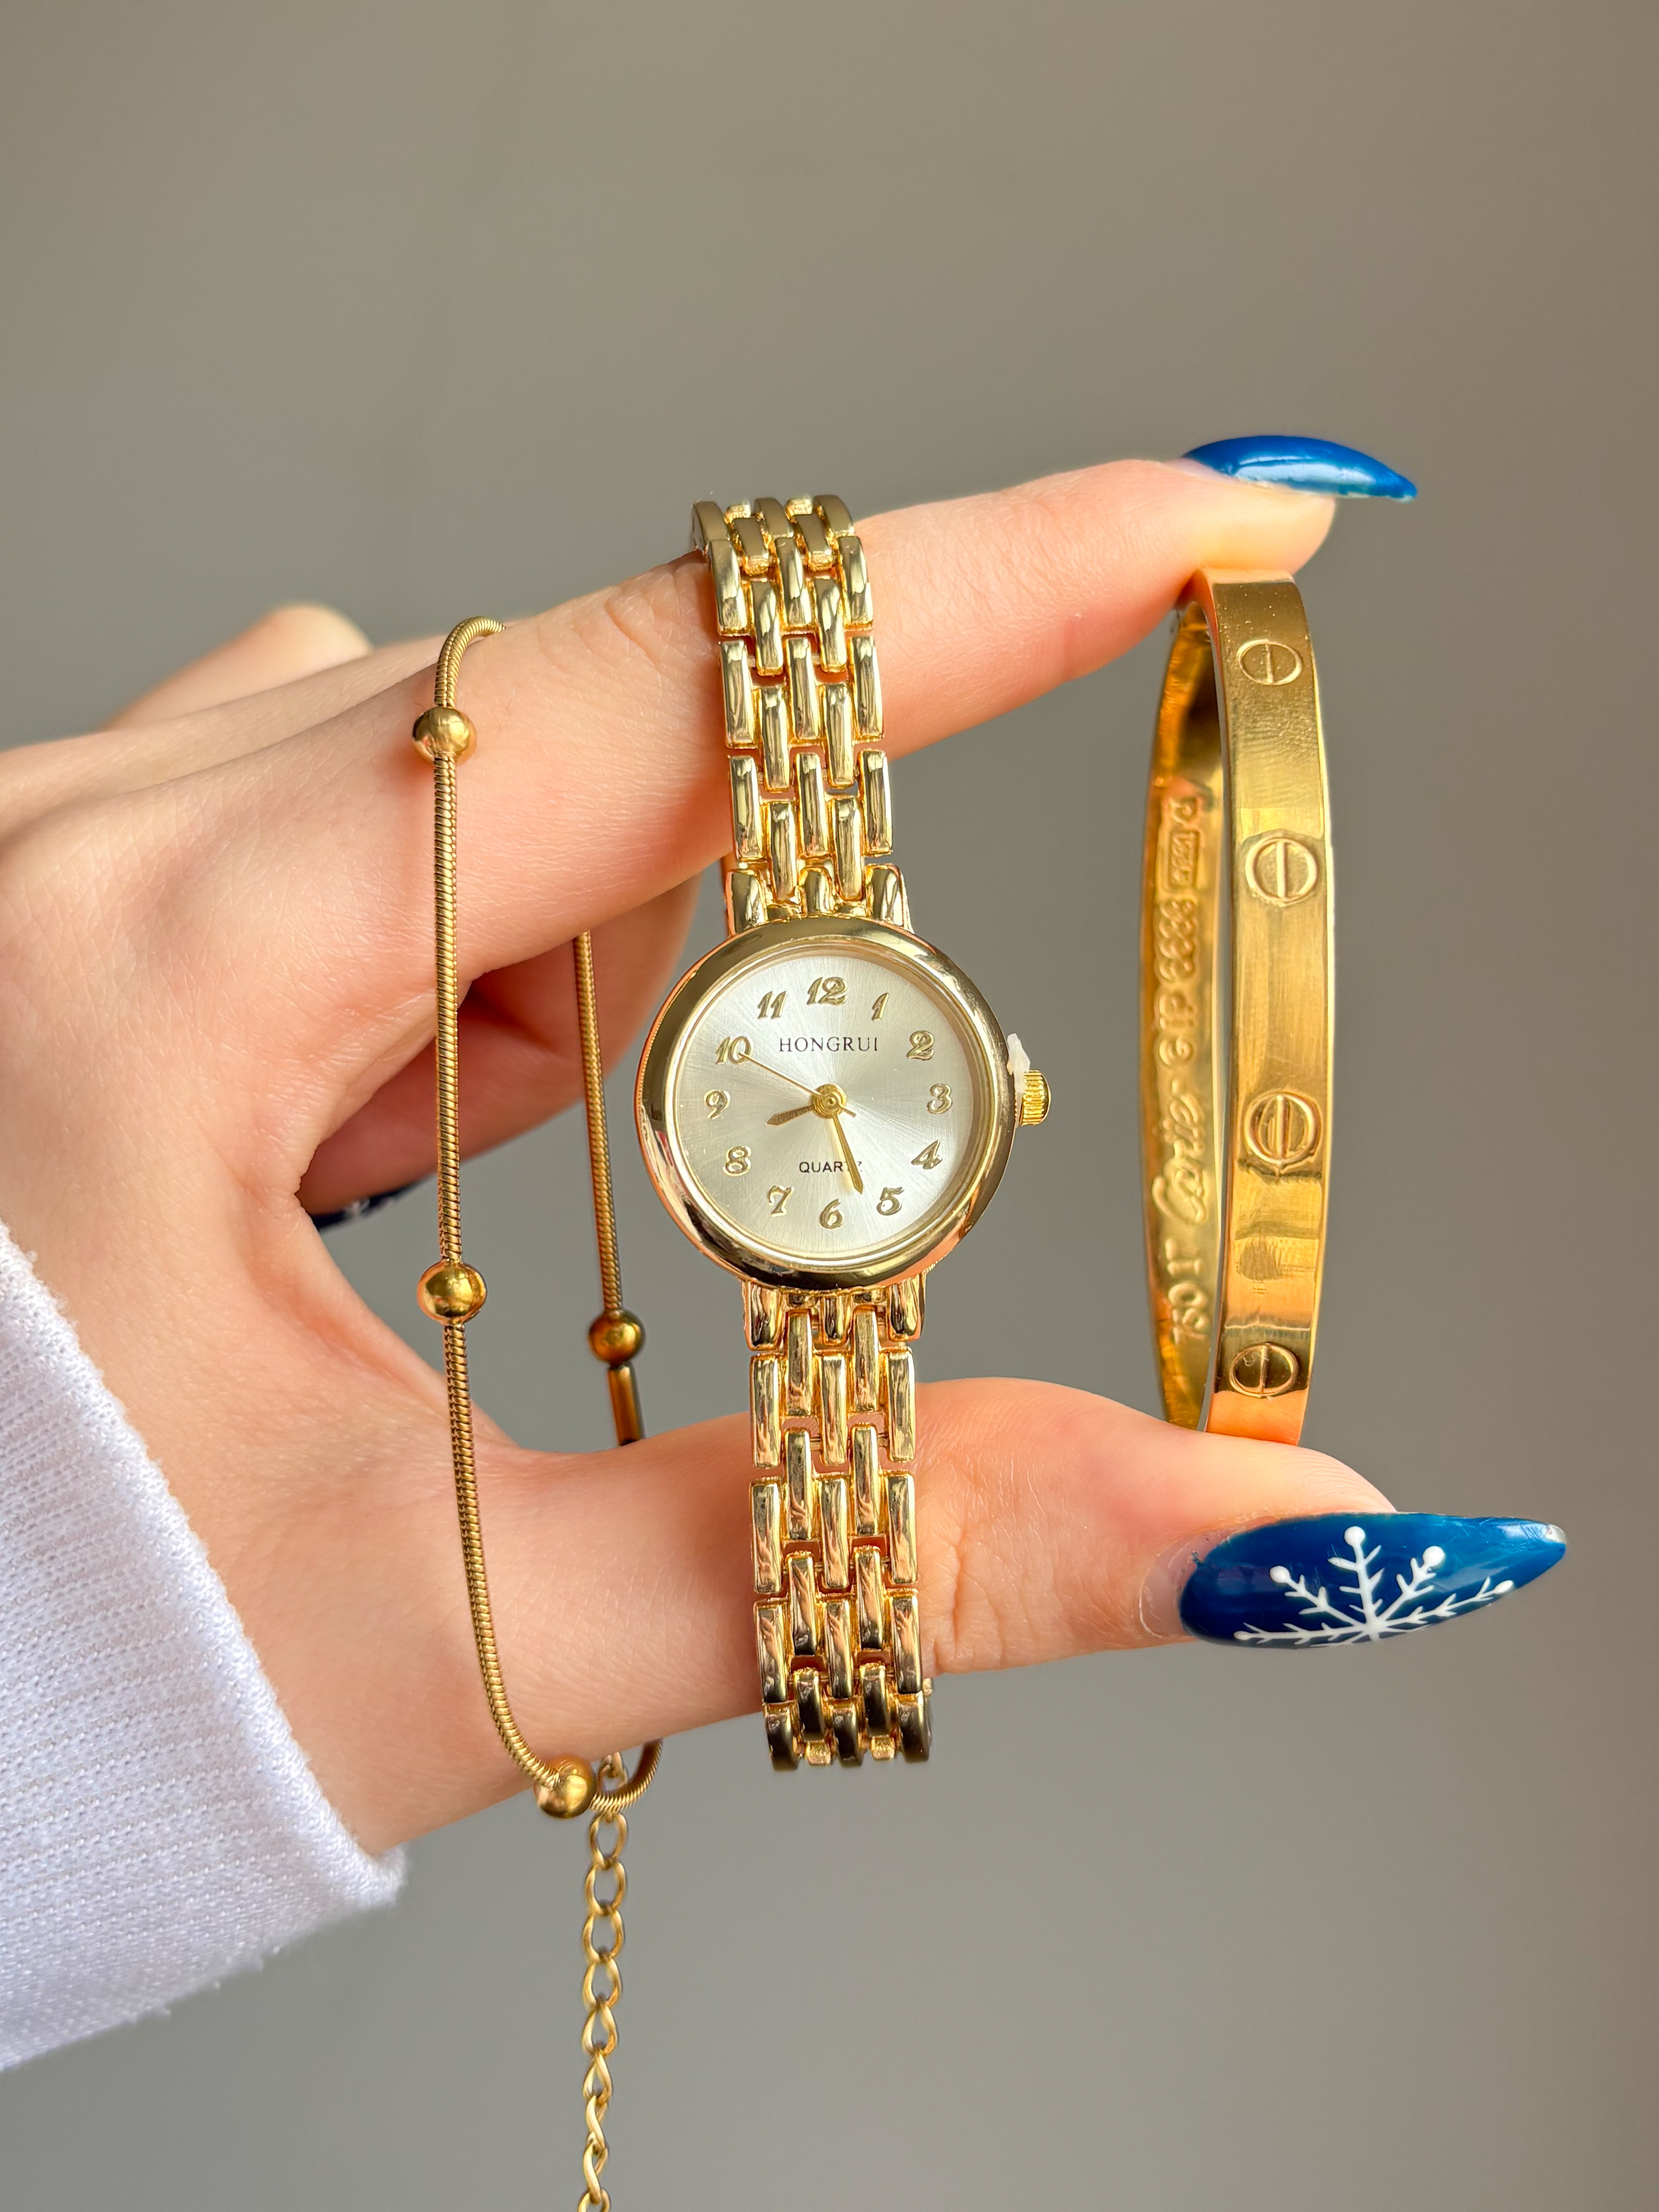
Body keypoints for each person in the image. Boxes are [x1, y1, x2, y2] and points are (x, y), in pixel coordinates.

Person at [0, 451, 1558, 2069]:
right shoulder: (780, 1086)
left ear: (992, 1086)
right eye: (813, 1081)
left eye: (866, 1082)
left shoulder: (866, 1073)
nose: (830, 1096)